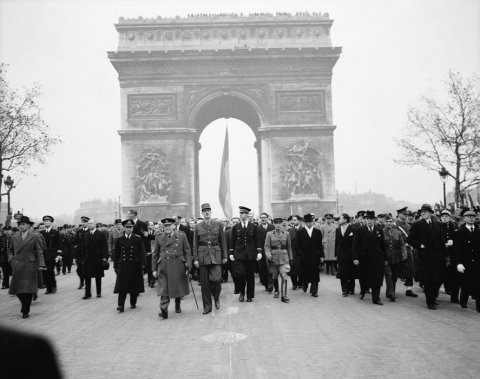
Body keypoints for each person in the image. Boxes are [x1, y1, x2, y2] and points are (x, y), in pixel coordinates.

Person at [408, 204, 447, 310]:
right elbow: (410, 239)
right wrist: (419, 245)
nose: (423, 213)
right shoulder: (417, 224)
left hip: (437, 256)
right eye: (422, 211)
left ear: (430, 213)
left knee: (438, 280)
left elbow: (441, 241)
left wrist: (445, 255)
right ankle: (430, 301)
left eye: (425, 211)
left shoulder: (437, 224)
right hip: (424, 256)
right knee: (428, 280)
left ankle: (433, 297)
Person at [152, 218, 192, 319]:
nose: (167, 227)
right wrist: (154, 269)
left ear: (174, 226)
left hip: (178, 264)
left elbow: (187, 250)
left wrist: (188, 264)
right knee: (164, 287)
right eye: (165, 226)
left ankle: (177, 304)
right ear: (163, 227)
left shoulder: (181, 235)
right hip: (164, 265)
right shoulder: (159, 237)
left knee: (177, 286)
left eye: (169, 225)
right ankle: (164, 309)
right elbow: (155, 254)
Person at [8, 216, 46, 318]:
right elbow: (10, 251)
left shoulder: (35, 236)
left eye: (24, 224)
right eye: (20, 224)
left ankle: (25, 310)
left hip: (30, 265)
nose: (21, 226)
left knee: (28, 289)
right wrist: (11, 260)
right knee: (18, 290)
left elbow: (39, 251)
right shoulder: (14, 237)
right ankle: (25, 305)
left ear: (29, 225)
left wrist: (41, 264)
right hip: (18, 265)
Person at [193, 203, 227, 315]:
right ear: (202, 213)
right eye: (204, 211)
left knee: (216, 280)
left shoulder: (218, 225)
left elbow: (222, 241)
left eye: (208, 210)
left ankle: (216, 297)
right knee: (205, 284)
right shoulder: (198, 226)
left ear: (211, 212)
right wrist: (196, 259)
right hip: (202, 257)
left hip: (216, 255)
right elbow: (195, 244)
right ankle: (207, 306)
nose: (206, 212)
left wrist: (224, 256)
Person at [352, 210, 387, 305]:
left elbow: (383, 245)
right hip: (364, 259)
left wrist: (385, 258)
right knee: (364, 278)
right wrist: (355, 258)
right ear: (365, 220)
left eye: (371, 219)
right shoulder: (360, 230)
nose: (370, 221)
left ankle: (376, 298)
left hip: (377, 259)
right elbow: (355, 246)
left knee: (377, 278)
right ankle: (363, 291)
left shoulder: (379, 230)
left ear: (374, 220)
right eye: (367, 219)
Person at [112, 219, 147, 312]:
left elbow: (142, 252)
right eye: (127, 227)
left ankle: (133, 302)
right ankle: (120, 305)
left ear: (133, 228)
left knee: (134, 286)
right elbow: (116, 254)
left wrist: (143, 264)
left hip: (135, 265)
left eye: (131, 227)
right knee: (122, 287)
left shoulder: (137, 238)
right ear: (124, 228)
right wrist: (115, 265)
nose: (129, 229)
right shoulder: (119, 239)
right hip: (123, 265)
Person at [229, 206, 262, 302]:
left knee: (250, 276)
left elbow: (257, 240)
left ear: (247, 214)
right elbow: (233, 241)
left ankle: (250, 295)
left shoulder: (253, 227)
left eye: (243, 213)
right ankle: (242, 292)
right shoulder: (236, 227)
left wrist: (259, 251)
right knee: (241, 275)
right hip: (239, 254)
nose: (241, 215)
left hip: (251, 255)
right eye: (240, 213)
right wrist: (231, 252)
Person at [454, 209, 480, 312]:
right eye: (469, 216)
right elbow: (456, 250)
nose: (471, 218)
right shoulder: (459, 232)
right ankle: (463, 301)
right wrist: (458, 263)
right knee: (465, 284)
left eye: (473, 216)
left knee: (478, 284)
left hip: (477, 262)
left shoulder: (478, 232)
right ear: (464, 218)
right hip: (465, 262)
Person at [294, 213, 324, 297]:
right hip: (304, 257)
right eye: (307, 222)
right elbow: (296, 245)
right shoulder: (300, 232)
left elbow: (320, 245)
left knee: (315, 273)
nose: (309, 224)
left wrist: (321, 256)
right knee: (305, 273)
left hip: (315, 256)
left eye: (311, 222)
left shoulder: (317, 232)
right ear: (304, 223)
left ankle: (314, 291)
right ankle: (305, 284)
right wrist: (301, 254)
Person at [264, 217, 293, 302]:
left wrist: (290, 258)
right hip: (273, 258)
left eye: (280, 223)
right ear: (274, 224)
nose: (278, 225)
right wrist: (268, 255)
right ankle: (276, 290)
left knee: (284, 276)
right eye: (276, 223)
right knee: (274, 275)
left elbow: (289, 247)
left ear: (282, 224)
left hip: (284, 257)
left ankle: (284, 295)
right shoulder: (269, 234)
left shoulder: (287, 234)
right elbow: (267, 246)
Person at [82, 219, 108, 300]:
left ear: (95, 224)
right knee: (87, 276)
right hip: (88, 258)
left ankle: (98, 292)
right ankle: (87, 293)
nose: (89, 225)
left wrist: (104, 257)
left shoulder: (100, 234)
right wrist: (82, 257)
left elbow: (104, 246)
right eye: (88, 223)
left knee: (98, 276)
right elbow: (83, 247)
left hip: (98, 258)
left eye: (91, 223)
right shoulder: (86, 234)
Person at [383, 214, 407, 302]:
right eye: (387, 222)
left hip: (396, 257)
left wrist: (404, 254)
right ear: (384, 222)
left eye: (390, 222)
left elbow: (402, 244)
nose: (389, 223)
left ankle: (390, 291)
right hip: (386, 257)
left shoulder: (398, 232)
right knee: (388, 275)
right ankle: (391, 293)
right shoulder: (381, 232)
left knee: (394, 276)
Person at [394, 207, 417, 298]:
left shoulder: (408, 226)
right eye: (404, 214)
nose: (405, 216)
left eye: (406, 214)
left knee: (410, 269)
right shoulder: (394, 225)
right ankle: (392, 289)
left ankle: (409, 289)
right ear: (399, 214)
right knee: (395, 269)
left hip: (407, 248)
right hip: (397, 249)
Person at [335, 213, 357, 296]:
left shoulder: (353, 229)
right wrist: (336, 253)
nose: (339, 220)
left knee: (351, 272)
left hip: (350, 254)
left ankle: (351, 288)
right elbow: (337, 243)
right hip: (341, 254)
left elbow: (355, 244)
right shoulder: (338, 229)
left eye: (341, 218)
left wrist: (355, 255)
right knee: (342, 273)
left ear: (345, 220)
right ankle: (344, 289)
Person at [40, 215, 62, 294]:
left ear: (51, 222)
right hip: (44, 255)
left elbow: (59, 244)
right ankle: (48, 288)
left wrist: (59, 254)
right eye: (45, 221)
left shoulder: (55, 232)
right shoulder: (41, 233)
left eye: (48, 221)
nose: (46, 222)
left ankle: (53, 285)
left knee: (50, 271)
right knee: (45, 272)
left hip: (52, 255)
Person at [256, 212, 275, 292]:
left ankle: (270, 284)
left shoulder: (272, 227)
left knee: (271, 267)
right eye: (262, 217)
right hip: (261, 251)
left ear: (267, 218)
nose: (263, 219)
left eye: (264, 217)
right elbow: (256, 240)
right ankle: (265, 283)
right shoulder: (257, 228)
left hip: (270, 250)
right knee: (262, 268)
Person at [287, 215, 303, 290]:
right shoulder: (290, 230)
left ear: (299, 221)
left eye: (296, 220)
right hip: (293, 251)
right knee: (292, 268)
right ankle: (294, 284)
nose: (294, 221)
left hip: (301, 251)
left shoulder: (303, 229)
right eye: (293, 220)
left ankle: (300, 282)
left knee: (301, 267)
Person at [74, 216, 89, 289]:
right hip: (79, 253)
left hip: (87, 253)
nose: (84, 223)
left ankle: (86, 282)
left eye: (85, 222)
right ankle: (81, 281)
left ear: (88, 223)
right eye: (82, 222)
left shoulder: (90, 231)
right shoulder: (79, 231)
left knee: (86, 268)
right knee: (79, 269)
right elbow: (75, 242)